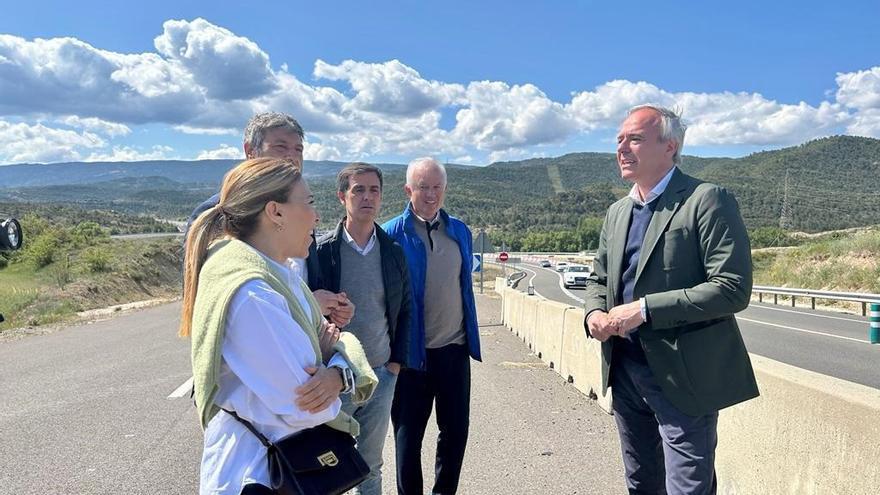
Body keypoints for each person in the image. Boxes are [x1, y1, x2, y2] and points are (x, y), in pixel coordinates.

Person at [583, 105, 759, 494]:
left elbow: (732, 287)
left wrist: (645, 310)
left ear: (670, 146)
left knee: (687, 486)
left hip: (682, 376)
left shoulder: (706, 199)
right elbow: (599, 277)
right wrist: (594, 311)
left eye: (635, 139)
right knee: (641, 482)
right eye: (619, 140)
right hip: (624, 371)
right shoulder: (617, 212)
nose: (622, 148)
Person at [179, 157, 378, 494]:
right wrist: (333, 363)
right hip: (258, 474)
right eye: (310, 203)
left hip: (278, 465)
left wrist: (334, 368)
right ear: (276, 212)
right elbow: (309, 407)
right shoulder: (252, 294)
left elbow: (330, 341)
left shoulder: (278, 275)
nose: (316, 217)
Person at [186, 112, 354, 328]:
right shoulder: (220, 213)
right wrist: (310, 304)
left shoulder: (298, 211)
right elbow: (217, 304)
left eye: (298, 149)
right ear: (250, 151)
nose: (292, 157)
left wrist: (333, 308)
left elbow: (300, 279)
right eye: (281, 147)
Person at [382, 157, 481, 495]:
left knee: (456, 433)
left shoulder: (459, 231)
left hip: (453, 351)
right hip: (411, 357)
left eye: (437, 187)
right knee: (407, 438)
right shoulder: (392, 235)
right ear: (408, 189)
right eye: (423, 187)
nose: (431, 194)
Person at [314, 162, 414, 495]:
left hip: (380, 374)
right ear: (342, 196)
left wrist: (395, 364)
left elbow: (405, 310)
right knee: (330, 463)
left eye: (374, 190)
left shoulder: (393, 252)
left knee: (371, 465)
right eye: (359, 189)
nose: (367, 197)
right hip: (335, 376)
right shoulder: (323, 252)